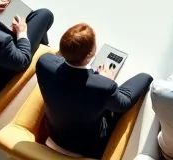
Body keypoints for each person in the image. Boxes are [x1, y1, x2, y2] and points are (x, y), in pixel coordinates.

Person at [36, 23, 153, 157]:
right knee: (134, 87)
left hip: (54, 133)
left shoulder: (44, 62)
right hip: (85, 147)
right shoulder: (103, 87)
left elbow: (60, 65)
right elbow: (123, 103)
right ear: (90, 55)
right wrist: (106, 80)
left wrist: (97, 78)